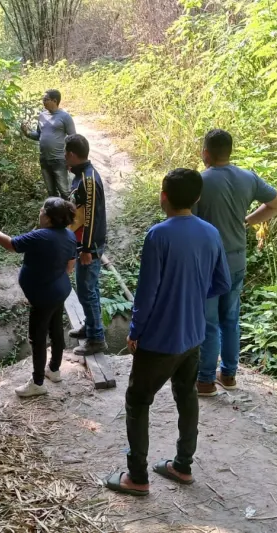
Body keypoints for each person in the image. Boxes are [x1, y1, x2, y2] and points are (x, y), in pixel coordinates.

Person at [104, 168, 231, 497]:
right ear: (197, 197)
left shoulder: (158, 235)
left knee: (137, 400)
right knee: (186, 395)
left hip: (160, 339)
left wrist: (135, 331)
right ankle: (183, 465)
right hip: (194, 335)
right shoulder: (211, 233)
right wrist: (191, 294)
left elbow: (146, 294)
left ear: (163, 196)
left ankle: (137, 477)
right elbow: (222, 282)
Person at [194, 129, 277, 396]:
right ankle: (229, 375)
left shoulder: (199, 182)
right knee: (231, 318)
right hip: (236, 260)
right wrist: (247, 221)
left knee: (209, 322)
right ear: (229, 151)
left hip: (209, 262)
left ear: (206, 153)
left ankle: (205, 380)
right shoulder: (248, 177)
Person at [0, 198, 78, 398]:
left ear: (48, 218)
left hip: (44, 297)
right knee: (56, 330)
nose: (39, 212)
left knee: (38, 338)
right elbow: (70, 266)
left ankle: (38, 383)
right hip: (60, 291)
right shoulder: (69, 235)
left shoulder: (41, 236)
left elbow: (10, 244)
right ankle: (54, 370)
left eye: (42, 210)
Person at [65, 134, 108, 356]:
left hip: (88, 245)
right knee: (88, 288)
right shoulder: (82, 176)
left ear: (72, 154)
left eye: (66, 153)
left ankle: (96, 338)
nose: (64, 157)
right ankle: (91, 327)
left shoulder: (87, 180)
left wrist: (86, 249)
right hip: (83, 243)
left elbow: (90, 217)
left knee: (87, 290)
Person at [21, 89, 77, 198]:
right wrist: (27, 133)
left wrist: (70, 160)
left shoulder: (65, 117)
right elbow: (38, 135)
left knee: (65, 192)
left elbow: (73, 138)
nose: (43, 102)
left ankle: (69, 209)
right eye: (43, 99)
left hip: (59, 160)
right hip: (44, 159)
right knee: (51, 192)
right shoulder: (42, 116)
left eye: (46, 99)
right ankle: (55, 209)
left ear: (54, 101)